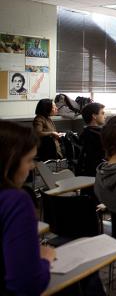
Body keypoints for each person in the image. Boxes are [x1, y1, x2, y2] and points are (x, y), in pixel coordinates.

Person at [0, 120, 55, 295]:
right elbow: (28, 285)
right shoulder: (15, 201)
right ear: (9, 161)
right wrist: (45, 260)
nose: (32, 167)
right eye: (29, 160)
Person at [79, 102, 106, 177]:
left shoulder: (85, 132)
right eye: (102, 113)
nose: (105, 116)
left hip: (88, 172)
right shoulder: (97, 134)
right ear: (94, 116)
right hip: (98, 173)